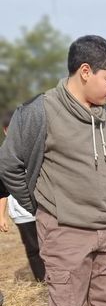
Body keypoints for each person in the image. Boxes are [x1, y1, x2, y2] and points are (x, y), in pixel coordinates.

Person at [0, 35, 106, 306]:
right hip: (65, 231)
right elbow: (9, 164)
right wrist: (42, 207)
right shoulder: (39, 112)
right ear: (85, 71)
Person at [0, 110, 45, 282]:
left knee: (51, 246)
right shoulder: (3, 157)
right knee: (33, 248)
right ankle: (43, 280)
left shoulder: (37, 150)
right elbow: (2, 191)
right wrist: (1, 216)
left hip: (43, 208)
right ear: (5, 130)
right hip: (21, 213)